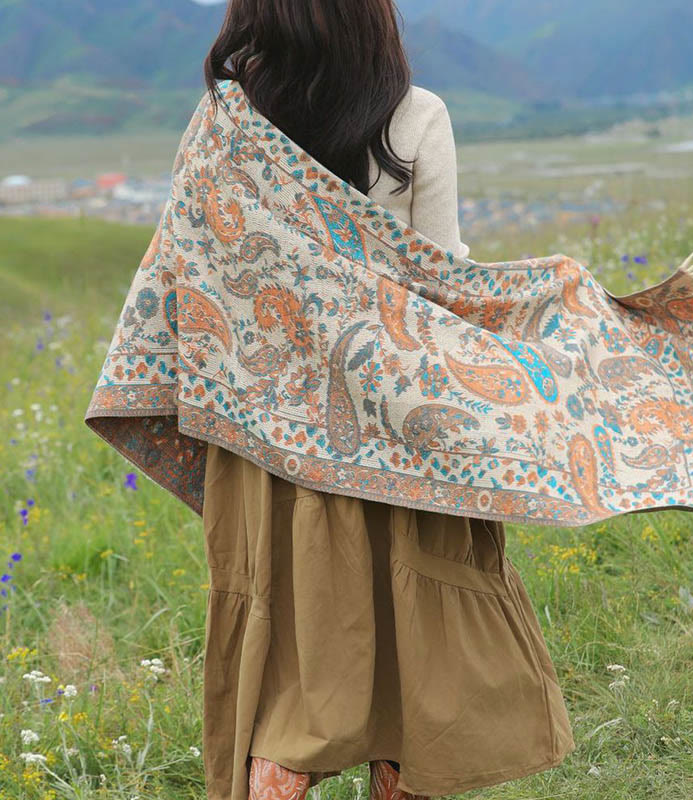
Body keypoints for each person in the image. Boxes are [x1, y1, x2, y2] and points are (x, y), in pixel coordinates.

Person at [198, 3, 576, 799]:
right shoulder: (413, 117)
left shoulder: (223, 122)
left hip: (270, 456)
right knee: (415, 690)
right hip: (400, 443)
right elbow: (441, 287)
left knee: (285, 701)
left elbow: (196, 291)